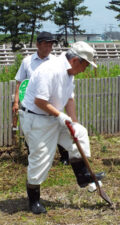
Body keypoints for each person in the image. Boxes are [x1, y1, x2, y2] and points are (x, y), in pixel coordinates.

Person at [19, 41, 105, 214]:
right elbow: (40, 101)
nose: (85, 70)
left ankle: (82, 176)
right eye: (85, 65)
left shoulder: (69, 73)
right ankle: (34, 200)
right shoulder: (49, 70)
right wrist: (60, 116)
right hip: (36, 119)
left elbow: (69, 99)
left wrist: (73, 122)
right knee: (40, 159)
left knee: (79, 133)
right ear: (75, 61)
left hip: (53, 117)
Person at [12, 31, 70, 165]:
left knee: (59, 128)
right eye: (46, 44)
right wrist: (16, 102)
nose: (48, 47)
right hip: (32, 105)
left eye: (51, 44)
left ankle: (65, 157)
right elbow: (20, 82)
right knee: (31, 132)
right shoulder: (27, 62)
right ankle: (34, 158)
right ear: (38, 44)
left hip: (51, 103)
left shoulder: (56, 61)